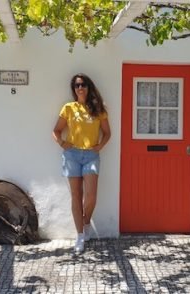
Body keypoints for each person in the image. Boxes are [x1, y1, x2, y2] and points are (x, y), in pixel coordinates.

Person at [52, 73, 111, 253]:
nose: (80, 88)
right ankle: (79, 236)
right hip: (72, 155)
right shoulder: (69, 108)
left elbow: (107, 133)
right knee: (76, 196)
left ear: (88, 87)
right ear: (74, 89)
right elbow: (56, 130)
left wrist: (99, 146)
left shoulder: (98, 108)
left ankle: (85, 223)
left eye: (83, 84)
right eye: (77, 85)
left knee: (91, 196)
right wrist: (62, 143)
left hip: (91, 156)